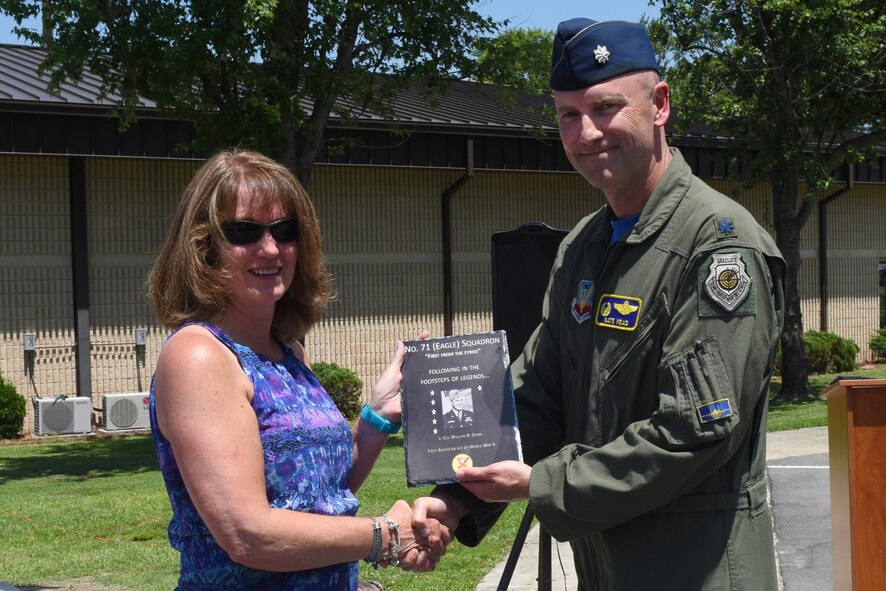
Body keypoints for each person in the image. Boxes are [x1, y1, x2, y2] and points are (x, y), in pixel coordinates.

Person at [413, 17, 786, 590]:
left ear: (659, 105)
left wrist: (541, 484)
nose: (586, 133)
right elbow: (538, 395)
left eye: (606, 107)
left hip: (697, 573)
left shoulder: (717, 247)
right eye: (568, 114)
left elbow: (694, 433)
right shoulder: (583, 248)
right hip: (606, 571)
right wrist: (457, 497)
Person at [146, 149, 446, 590]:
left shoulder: (288, 352)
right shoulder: (199, 357)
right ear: (203, 245)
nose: (270, 248)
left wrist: (380, 414)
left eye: (285, 230)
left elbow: (320, 493)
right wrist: (384, 533)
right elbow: (248, 534)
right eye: (244, 231)